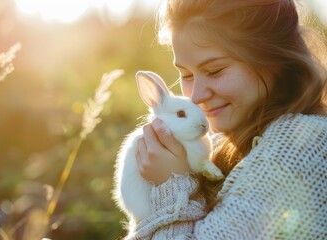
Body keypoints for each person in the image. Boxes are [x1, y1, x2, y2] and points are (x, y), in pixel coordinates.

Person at [127, 0, 327, 239]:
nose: (197, 96)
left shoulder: (297, 149)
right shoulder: (230, 141)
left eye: (215, 71)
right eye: (186, 75)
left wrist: (170, 187)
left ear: (271, 59)